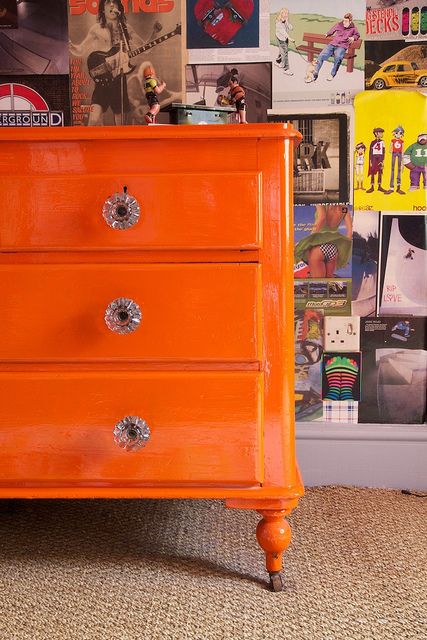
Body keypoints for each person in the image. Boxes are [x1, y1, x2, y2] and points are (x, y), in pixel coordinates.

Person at [69, 0, 145, 125]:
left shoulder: (125, 28)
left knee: (121, 125)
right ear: (102, 9)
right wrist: (70, 45)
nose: (111, 5)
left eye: (114, 3)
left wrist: (154, 34)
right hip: (102, 82)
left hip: (119, 80)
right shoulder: (96, 28)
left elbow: (145, 47)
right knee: (93, 121)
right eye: (108, 3)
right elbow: (80, 50)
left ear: (119, 8)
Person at [294, 204, 353, 278]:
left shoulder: (321, 203)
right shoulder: (344, 208)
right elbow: (350, 233)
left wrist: (308, 240)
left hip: (318, 248)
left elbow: (322, 218)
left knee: (318, 283)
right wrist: (344, 250)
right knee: (328, 283)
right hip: (333, 249)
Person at [305, 13, 360, 83]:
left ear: (350, 22)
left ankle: (332, 74)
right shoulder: (339, 24)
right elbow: (333, 29)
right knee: (321, 55)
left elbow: (357, 35)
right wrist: (328, 34)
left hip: (342, 46)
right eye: (343, 21)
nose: (344, 23)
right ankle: (314, 74)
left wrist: (353, 37)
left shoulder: (353, 28)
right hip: (333, 44)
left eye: (346, 21)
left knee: (338, 57)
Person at [275, 8, 295, 76]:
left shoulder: (285, 21)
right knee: (285, 53)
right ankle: (286, 69)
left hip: (285, 38)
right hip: (281, 38)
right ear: (281, 14)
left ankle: (278, 61)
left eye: (287, 13)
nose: (287, 14)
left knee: (282, 51)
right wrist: (289, 38)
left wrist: (287, 22)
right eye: (285, 13)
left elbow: (291, 28)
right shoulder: (278, 23)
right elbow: (283, 32)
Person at [367, 127, 387, 193]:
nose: (381, 134)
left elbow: (384, 151)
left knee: (380, 171)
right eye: (380, 133)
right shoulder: (372, 142)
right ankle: (372, 186)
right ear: (376, 133)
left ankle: (379, 186)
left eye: (382, 133)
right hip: (373, 158)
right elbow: (370, 152)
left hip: (380, 158)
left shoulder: (382, 142)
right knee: (372, 171)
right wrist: (370, 161)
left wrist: (383, 160)